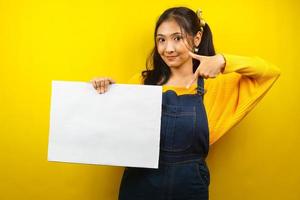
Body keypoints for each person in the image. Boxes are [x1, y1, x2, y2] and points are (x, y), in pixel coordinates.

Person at [90, 6, 281, 200]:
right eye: (161, 40)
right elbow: (116, 133)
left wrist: (223, 61)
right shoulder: (141, 82)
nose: (168, 49)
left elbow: (270, 72)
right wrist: (105, 93)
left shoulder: (216, 86)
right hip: (139, 184)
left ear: (197, 38)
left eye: (177, 38)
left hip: (189, 186)